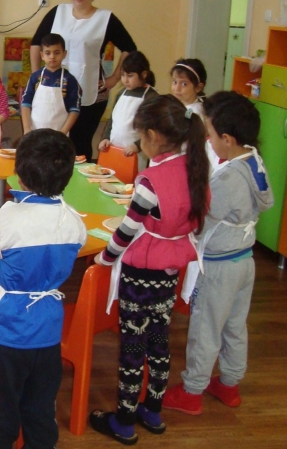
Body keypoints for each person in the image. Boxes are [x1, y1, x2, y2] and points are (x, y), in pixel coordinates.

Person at [90, 94, 210, 445]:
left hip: (141, 273)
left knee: (132, 346)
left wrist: (105, 258)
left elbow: (126, 231)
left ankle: (125, 420)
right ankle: (152, 411)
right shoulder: (194, 169)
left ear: (153, 137)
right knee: (159, 341)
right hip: (171, 270)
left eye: (140, 135)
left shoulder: (150, 180)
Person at [0, 129, 86, 449]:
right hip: (49, 330)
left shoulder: (8, 218)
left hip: (6, 331)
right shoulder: (74, 221)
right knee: (41, 411)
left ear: (19, 174)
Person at [163, 91, 273, 416]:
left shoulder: (228, 179)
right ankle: (229, 383)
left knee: (205, 328)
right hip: (244, 260)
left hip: (220, 266)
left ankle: (192, 391)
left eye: (210, 134)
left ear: (227, 139)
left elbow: (200, 220)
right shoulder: (254, 160)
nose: (208, 141)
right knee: (234, 326)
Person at [30, 0, 137, 160]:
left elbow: (129, 48)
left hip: (91, 93)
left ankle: (80, 178)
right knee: (53, 142)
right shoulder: (58, 12)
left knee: (80, 143)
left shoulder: (105, 18)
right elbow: (36, 43)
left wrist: (114, 78)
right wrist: (37, 75)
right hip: (55, 91)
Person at [98, 51, 158, 156]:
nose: (125, 80)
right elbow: (112, 120)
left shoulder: (151, 97)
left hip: (135, 152)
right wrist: (105, 138)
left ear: (144, 74)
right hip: (113, 148)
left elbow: (154, 128)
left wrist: (137, 146)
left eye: (130, 76)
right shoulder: (120, 94)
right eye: (122, 75)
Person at [21, 33, 81, 135]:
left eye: (57, 53)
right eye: (48, 53)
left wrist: (63, 133)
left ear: (64, 54)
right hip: (34, 133)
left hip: (59, 134)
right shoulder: (35, 77)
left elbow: (74, 110)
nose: (52, 57)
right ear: (42, 55)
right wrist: (27, 129)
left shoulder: (70, 80)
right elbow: (25, 104)